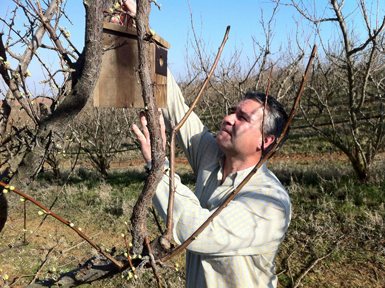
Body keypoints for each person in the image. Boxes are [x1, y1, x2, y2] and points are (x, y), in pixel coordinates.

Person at [133, 71, 291, 288]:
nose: (228, 118)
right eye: (232, 112)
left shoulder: (269, 203)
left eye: (242, 118)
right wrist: (151, 52)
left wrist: (157, 162)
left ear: (265, 140)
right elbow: (177, 110)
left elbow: (196, 231)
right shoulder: (213, 157)